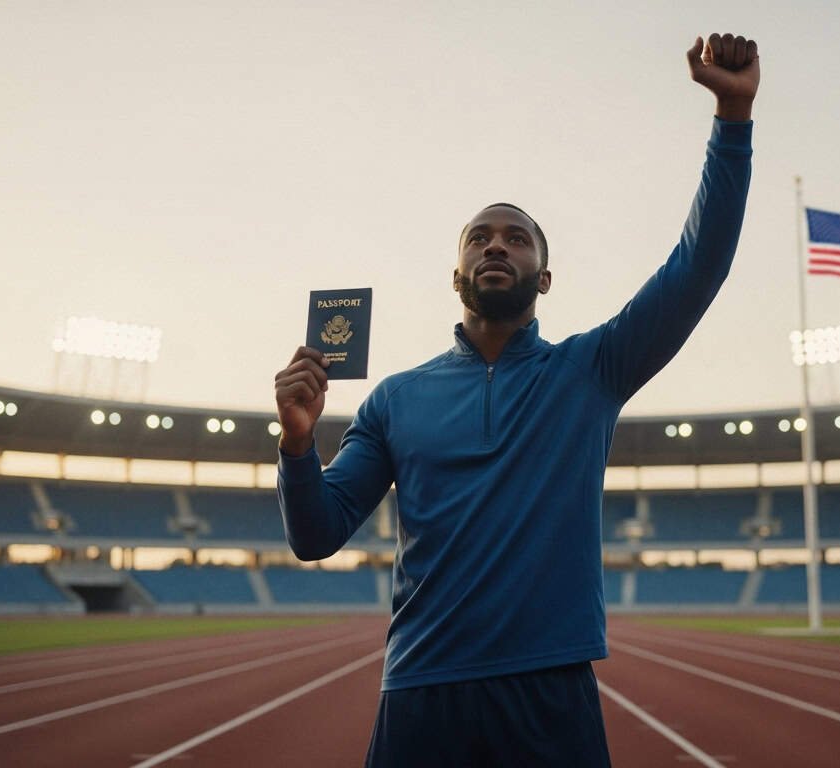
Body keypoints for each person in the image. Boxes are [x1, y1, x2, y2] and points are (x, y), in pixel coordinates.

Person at [274, 30, 759, 767]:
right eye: (480, 238)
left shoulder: (592, 370)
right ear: (458, 271)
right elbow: (315, 535)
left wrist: (732, 120)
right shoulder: (395, 401)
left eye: (517, 239)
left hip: (550, 692)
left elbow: (699, 268)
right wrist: (298, 444)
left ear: (544, 276)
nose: (497, 246)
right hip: (422, 691)